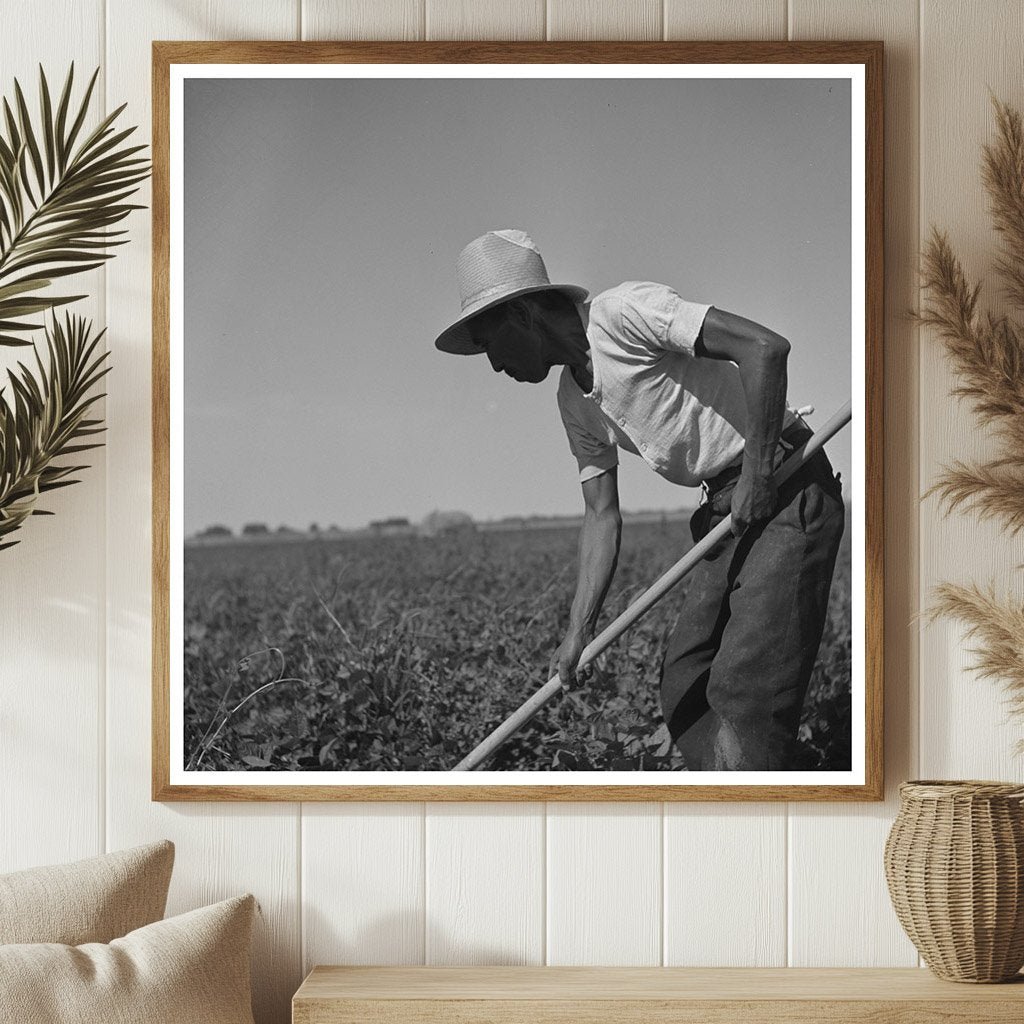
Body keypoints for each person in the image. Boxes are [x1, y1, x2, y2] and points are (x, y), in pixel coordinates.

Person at [434, 229, 845, 771]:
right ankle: (730, 778)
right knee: (686, 681)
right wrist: (577, 633)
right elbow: (601, 514)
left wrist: (759, 470)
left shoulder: (622, 314)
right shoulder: (573, 401)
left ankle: (753, 797)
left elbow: (764, 349)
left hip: (787, 487)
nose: (492, 366)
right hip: (730, 508)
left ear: (523, 316)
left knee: (746, 692)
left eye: (488, 344)